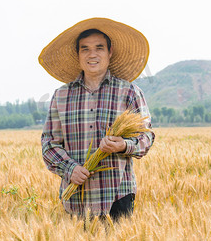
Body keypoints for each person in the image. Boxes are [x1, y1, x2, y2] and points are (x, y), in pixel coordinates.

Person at [38, 17, 155, 220]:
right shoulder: (61, 96)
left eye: (99, 47)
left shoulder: (129, 92)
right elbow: (49, 144)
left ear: (109, 52)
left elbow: (147, 138)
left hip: (118, 198)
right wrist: (70, 169)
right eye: (85, 49)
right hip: (75, 199)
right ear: (78, 55)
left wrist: (123, 145)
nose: (92, 54)